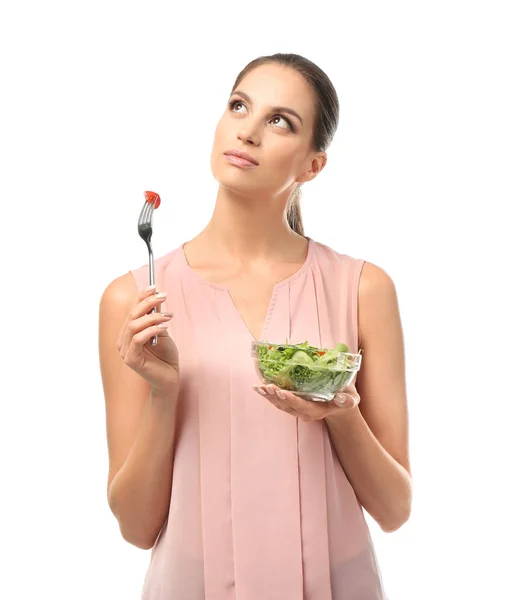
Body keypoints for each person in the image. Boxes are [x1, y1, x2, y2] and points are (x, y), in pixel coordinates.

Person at [98, 53, 411, 600]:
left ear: (313, 166)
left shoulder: (363, 289)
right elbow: (135, 526)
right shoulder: (134, 299)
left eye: (279, 121)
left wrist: (342, 414)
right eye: (239, 106)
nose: (247, 131)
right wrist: (163, 393)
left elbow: (394, 509)